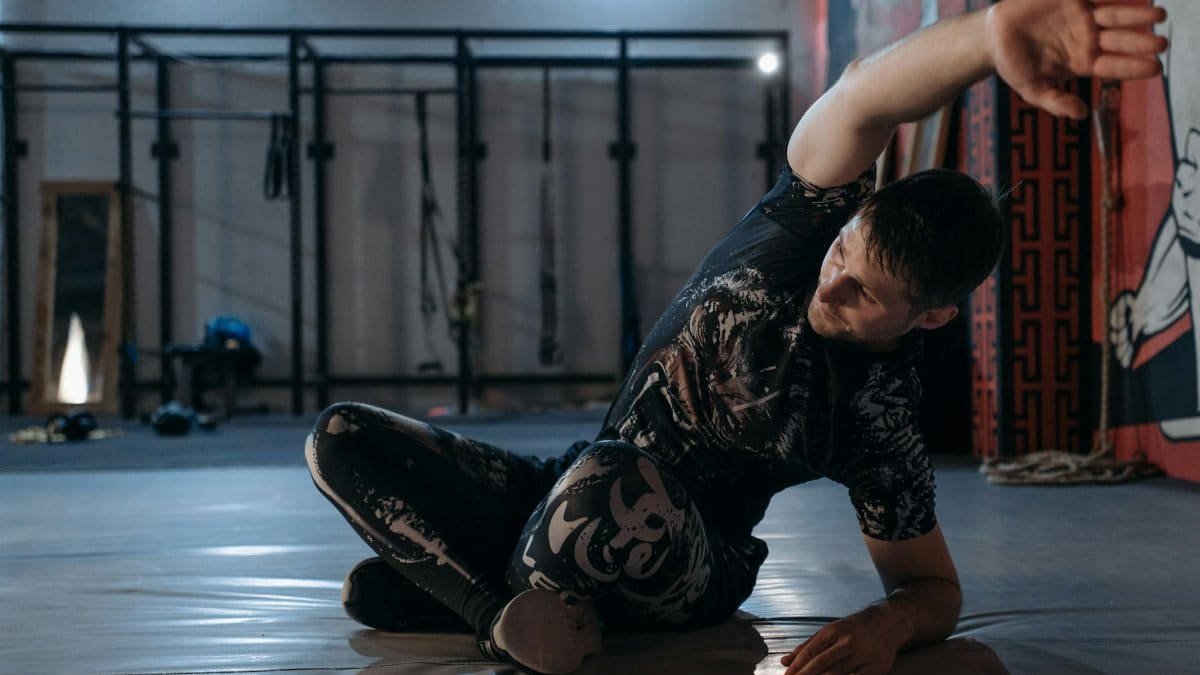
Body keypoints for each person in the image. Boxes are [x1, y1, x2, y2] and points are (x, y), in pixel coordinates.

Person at [306, 1, 1167, 673]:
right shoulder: (802, 224)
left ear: (931, 317)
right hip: (570, 477)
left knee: (602, 485)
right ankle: (500, 610)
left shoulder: (880, 413)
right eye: (843, 253)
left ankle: (478, 589)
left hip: (693, 563)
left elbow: (932, 587)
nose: (830, 280)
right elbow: (865, 94)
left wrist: (887, 625)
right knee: (340, 436)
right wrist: (988, 35)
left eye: (863, 289)